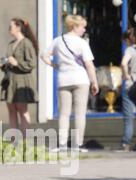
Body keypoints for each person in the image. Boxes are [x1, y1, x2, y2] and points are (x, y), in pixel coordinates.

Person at [41, 15, 99, 153]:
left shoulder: (58, 40)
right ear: (75, 26)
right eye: (82, 26)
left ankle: (61, 144)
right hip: (80, 79)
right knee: (80, 114)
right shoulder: (82, 43)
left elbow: (43, 55)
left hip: (63, 79)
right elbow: (89, 64)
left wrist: (56, 65)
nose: (84, 29)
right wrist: (94, 82)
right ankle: (77, 144)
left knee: (64, 114)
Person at [0, 18, 39, 139]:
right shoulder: (11, 44)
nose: (9, 28)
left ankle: (27, 141)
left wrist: (17, 63)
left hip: (22, 81)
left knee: (22, 110)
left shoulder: (26, 43)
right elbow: (10, 63)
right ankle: (14, 141)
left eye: (11, 26)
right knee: (11, 110)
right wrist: (3, 65)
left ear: (18, 27)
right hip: (10, 81)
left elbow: (32, 63)